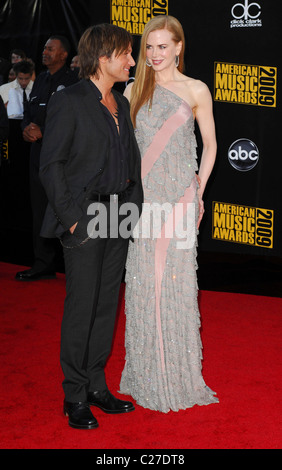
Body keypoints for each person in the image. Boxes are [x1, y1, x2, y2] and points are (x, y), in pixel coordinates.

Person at [39, 24, 143, 429]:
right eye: (126, 54)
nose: (132, 61)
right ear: (104, 57)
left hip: (118, 215)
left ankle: (98, 386)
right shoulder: (70, 101)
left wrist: (131, 212)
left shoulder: (120, 102)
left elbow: (129, 163)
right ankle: (75, 395)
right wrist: (74, 218)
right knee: (82, 308)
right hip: (86, 216)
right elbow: (52, 166)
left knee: (105, 306)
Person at [119, 15, 219, 412]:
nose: (155, 54)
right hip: (143, 203)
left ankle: (176, 373)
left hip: (178, 199)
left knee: (173, 285)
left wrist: (198, 191)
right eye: (149, 47)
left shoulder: (196, 89)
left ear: (178, 47)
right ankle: (145, 372)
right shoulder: (133, 90)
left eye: (163, 46)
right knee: (146, 285)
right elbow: (122, 148)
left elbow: (210, 145)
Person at [15, 36, 78, 281]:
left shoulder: (73, 82)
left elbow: (73, 121)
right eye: (44, 48)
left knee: (64, 209)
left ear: (63, 55)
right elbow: (27, 113)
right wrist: (25, 128)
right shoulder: (39, 79)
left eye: (51, 49)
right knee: (39, 210)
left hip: (62, 159)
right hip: (36, 156)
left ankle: (73, 266)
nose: (45, 52)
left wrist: (45, 132)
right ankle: (42, 264)